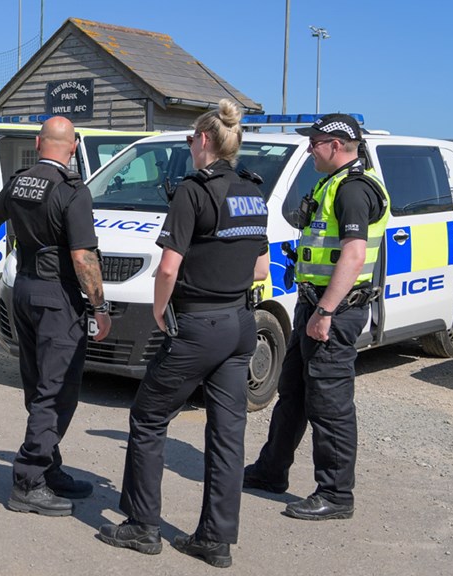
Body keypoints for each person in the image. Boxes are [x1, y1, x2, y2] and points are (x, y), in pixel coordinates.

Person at [97, 99, 270, 569]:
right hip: (239, 326)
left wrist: (159, 311)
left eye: (192, 138)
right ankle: (215, 540)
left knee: (149, 417)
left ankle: (141, 525)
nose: (190, 145)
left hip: (197, 325)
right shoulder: (254, 192)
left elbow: (168, 267)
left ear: (204, 141)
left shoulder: (193, 192)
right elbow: (260, 266)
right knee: (227, 435)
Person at [0, 116, 111, 517]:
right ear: (73, 147)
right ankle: (28, 481)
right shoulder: (72, 192)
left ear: (40, 143)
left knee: (38, 384)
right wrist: (99, 306)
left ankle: (49, 467)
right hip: (56, 297)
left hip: (23, 291)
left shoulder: (19, 181)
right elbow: (82, 257)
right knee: (56, 391)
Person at [243, 113, 390, 522]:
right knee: (293, 393)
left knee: (330, 405)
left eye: (315, 142)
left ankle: (337, 494)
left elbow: (355, 254)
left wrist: (325, 311)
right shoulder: (333, 184)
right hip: (314, 304)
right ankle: (271, 471)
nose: (310, 149)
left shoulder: (354, 189)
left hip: (334, 311)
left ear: (337, 145)